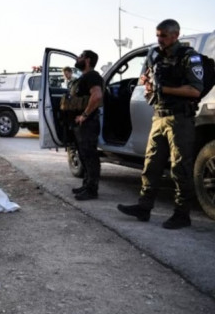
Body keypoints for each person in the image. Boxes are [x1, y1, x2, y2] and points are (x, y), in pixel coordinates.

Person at [117, 19, 203, 229]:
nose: (159, 40)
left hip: (179, 119)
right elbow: (146, 80)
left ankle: (182, 214)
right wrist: (148, 83)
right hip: (159, 116)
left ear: (175, 35)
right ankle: (144, 207)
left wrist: (163, 89)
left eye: (163, 36)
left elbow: (195, 90)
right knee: (151, 165)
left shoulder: (188, 57)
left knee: (180, 168)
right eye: (158, 35)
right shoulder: (156, 56)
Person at [69, 50, 104, 201]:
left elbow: (97, 96)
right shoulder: (84, 77)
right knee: (84, 155)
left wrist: (84, 115)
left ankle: (92, 189)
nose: (78, 58)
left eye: (81, 56)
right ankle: (86, 184)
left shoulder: (92, 76)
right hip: (81, 123)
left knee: (90, 156)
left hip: (88, 123)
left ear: (88, 60)